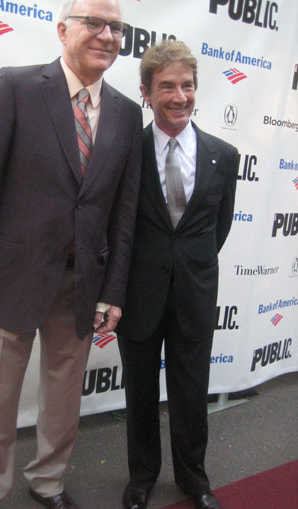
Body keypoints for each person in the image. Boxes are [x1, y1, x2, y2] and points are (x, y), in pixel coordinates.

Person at [0, 0, 142, 508]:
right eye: (94, 23)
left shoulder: (126, 113)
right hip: (11, 277)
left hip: (83, 284)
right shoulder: (15, 87)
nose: (107, 35)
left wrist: (114, 291)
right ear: (61, 29)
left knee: (62, 398)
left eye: (116, 27)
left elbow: (123, 215)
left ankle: (48, 482)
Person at [117, 40, 239, 509]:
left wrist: (189, 265)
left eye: (187, 85)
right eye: (166, 86)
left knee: (191, 395)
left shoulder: (223, 155)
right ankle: (142, 479)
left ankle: (194, 480)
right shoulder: (128, 150)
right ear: (146, 92)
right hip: (139, 295)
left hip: (194, 294)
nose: (179, 96)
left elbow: (218, 226)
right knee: (141, 395)